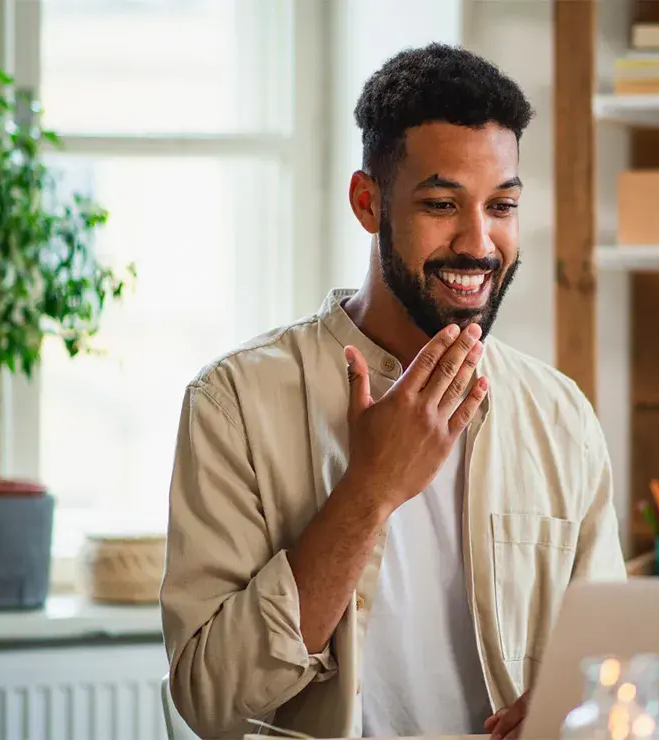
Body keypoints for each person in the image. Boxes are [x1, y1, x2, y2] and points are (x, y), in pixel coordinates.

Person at [160, 42, 626, 740]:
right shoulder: (233, 404)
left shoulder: (561, 417)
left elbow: (612, 664)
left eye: (502, 205)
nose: (479, 241)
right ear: (368, 202)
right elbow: (211, 702)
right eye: (443, 203)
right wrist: (370, 490)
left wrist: (575, 705)